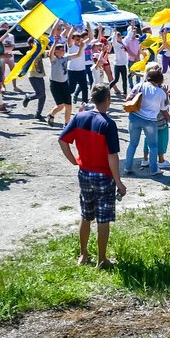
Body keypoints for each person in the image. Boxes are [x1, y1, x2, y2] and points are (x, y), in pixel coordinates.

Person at [58, 83, 126, 269]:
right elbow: (112, 156)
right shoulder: (108, 124)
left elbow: (62, 140)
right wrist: (119, 182)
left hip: (84, 173)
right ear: (108, 100)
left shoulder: (79, 117)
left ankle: (83, 254)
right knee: (103, 219)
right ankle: (101, 260)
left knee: (86, 214)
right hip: (103, 176)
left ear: (92, 99)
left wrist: (74, 161)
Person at [123, 64, 169, 176]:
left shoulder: (139, 85)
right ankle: (154, 170)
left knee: (133, 144)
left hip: (135, 117)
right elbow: (164, 109)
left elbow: (128, 99)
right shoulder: (160, 92)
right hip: (150, 121)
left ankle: (127, 167)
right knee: (153, 146)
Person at [47, 43, 73, 127]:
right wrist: (54, 43)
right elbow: (50, 54)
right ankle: (51, 114)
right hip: (55, 84)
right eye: (61, 50)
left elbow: (78, 55)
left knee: (68, 106)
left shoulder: (65, 58)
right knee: (60, 106)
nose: (64, 51)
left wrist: (81, 47)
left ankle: (66, 124)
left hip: (64, 84)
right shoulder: (54, 60)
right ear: (56, 51)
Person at [21, 47, 47, 121]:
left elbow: (46, 54)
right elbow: (33, 55)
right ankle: (28, 97)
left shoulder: (40, 52)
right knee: (40, 93)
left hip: (40, 75)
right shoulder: (29, 52)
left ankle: (38, 114)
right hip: (33, 75)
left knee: (43, 96)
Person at [65, 30, 90, 105]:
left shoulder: (83, 45)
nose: (78, 41)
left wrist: (89, 27)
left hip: (81, 70)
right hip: (72, 70)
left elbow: (91, 38)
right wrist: (72, 28)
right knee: (71, 89)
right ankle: (64, 100)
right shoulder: (71, 46)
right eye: (77, 39)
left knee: (84, 88)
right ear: (73, 40)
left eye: (79, 39)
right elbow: (69, 38)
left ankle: (84, 104)